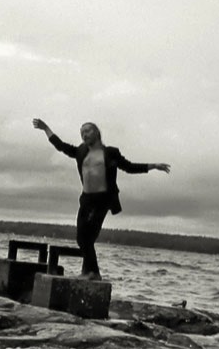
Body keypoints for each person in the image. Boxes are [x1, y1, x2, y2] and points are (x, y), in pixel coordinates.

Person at [32, 118, 170, 280]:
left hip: (103, 200)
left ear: (97, 133)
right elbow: (60, 146)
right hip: (86, 200)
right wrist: (46, 128)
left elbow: (129, 167)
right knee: (82, 238)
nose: (84, 135)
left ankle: (93, 273)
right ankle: (88, 272)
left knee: (87, 238)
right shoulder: (80, 152)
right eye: (81, 133)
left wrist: (153, 166)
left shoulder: (110, 153)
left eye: (87, 131)